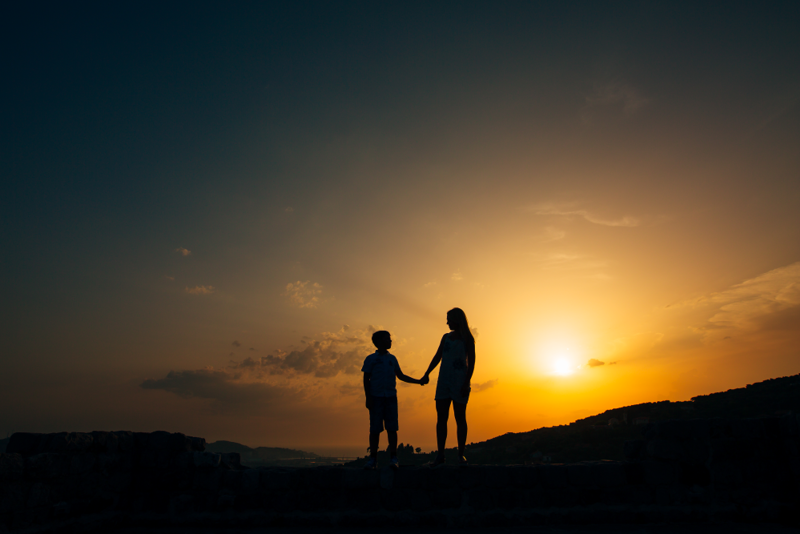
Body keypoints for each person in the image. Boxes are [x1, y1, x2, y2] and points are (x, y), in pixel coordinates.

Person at [362, 330, 426, 470]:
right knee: (375, 429)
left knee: (392, 428)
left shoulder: (392, 359)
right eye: (387, 339)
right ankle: (373, 459)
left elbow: (401, 376)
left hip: (390, 397)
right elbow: (366, 379)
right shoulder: (371, 359)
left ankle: (393, 458)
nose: (390, 341)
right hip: (376, 397)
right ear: (379, 342)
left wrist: (418, 381)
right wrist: (368, 398)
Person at [421, 308, 476, 467]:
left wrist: (466, 383)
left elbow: (471, 363)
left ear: (457, 320)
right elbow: (438, 356)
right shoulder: (445, 337)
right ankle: (441, 455)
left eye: (449, 319)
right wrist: (427, 373)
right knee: (441, 419)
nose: (447, 322)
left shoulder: (467, 339)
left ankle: (460, 455)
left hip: (460, 382)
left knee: (460, 418)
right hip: (443, 381)